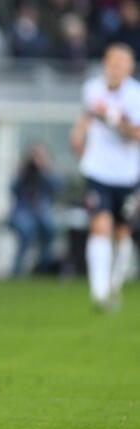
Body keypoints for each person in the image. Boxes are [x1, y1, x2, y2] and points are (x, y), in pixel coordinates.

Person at [70, 43, 140, 311]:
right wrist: (78, 134)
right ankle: (98, 292)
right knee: (100, 225)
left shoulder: (135, 96)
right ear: (105, 64)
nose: (116, 68)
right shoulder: (92, 89)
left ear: (130, 67)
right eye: (112, 62)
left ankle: (114, 285)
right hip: (97, 170)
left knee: (123, 232)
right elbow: (87, 117)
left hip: (127, 175)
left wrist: (113, 120)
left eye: (122, 63)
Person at [9, 144, 61, 276]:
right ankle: (17, 269)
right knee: (27, 231)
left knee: (49, 229)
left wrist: (45, 170)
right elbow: (15, 189)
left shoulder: (48, 173)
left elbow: (56, 187)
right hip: (24, 211)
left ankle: (44, 267)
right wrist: (25, 171)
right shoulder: (25, 172)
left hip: (42, 211)